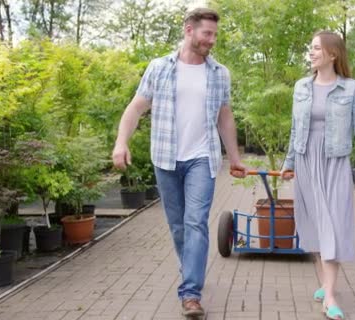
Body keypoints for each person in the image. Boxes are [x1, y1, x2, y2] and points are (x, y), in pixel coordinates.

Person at [111, 8, 246, 317]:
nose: (211, 40)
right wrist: (121, 142)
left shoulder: (219, 73)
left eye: (214, 35)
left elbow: (225, 116)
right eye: (206, 34)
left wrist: (235, 157)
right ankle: (190, 270)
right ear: (189, 30)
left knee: (196, 221)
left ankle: (191, 293)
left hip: (202, 158)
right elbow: (135, 109)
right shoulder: (160, 68)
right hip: (166, 158)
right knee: (177, 226)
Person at [281, 30, 355, 320]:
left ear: (332, 54)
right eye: (311, 48)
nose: (312, 52)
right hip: (307, 161)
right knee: (315, 226)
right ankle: (326, 283)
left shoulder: (350, 88)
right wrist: (289, 162)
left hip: (334, 162)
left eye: (317, 48)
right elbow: (296, 129)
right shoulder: (301, 87)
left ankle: (330, 295)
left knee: (333, 225)